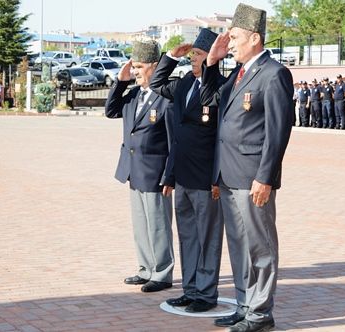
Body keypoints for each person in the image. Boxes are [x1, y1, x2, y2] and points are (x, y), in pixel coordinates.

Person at [200, 3, 294, 331]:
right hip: (229, 175)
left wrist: (265, 177)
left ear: (255, 38)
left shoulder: (274, 73)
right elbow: (209, 98)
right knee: (240, 247)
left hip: (253, 178)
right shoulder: (238, 74)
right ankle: (244, 305)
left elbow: (278, 131)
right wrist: (212, 61)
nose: (232, 43)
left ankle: (260, 315)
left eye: (236, 37)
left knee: (261, 247)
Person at [150, 28, 224, 313]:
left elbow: (220, 138)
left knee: (208, 238)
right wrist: (170, 57)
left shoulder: (220, 87)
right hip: (181, 176)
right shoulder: (182, 85)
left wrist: (217, 177)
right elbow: (156, 83)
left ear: (214, 57)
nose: (194, 59)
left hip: (206, 178)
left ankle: (206, 294)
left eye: (199, 55)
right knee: (188, 235)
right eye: (192, 55)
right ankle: (191, 289)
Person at [105, 40, 175, 293]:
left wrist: (170, 175)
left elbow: (172, 139)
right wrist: (121, 82)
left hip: (156, 172)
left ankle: (163, 273)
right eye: (133, 66)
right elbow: (111, 111)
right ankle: (146, 268)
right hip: (133, 169)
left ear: (154, 67)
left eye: (139, 66)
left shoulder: (165, 97)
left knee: (158, 224)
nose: (135, 71)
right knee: (141, 223)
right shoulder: (133, 95)